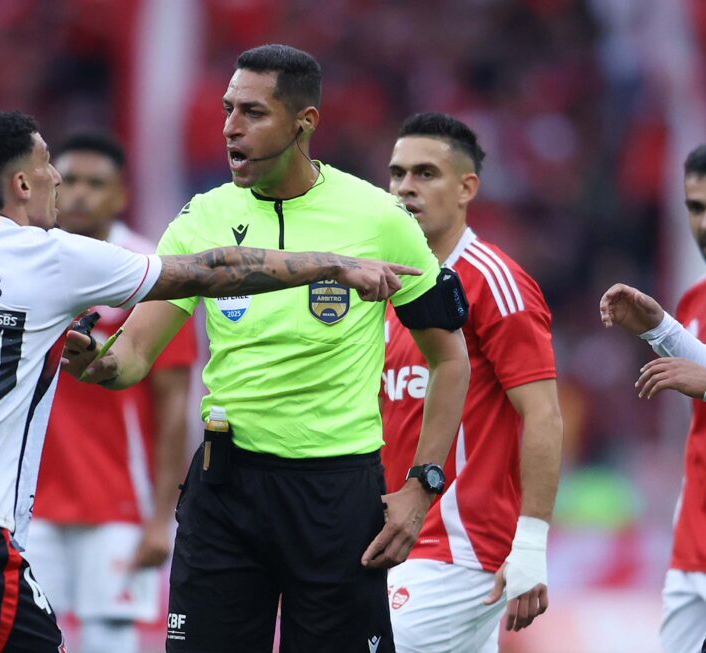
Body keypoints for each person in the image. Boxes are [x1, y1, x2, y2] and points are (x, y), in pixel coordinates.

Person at [0, 109, 418, 653]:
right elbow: (214, 270)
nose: (59, 179)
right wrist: (334, 263)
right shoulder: (52, 256)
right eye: (47, 165)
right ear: (21, 186)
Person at [63, 45, 470, 652]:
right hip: (227, 490)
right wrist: (99, 363)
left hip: (336, 497)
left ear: (303, 122)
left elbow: (450, 359)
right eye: (228, 109)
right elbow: (135, 355)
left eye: (252, 112)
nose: (229, 126)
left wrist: (422, 486)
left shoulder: (378, 216)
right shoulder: (202, 217)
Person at [380, 113, 563, 652]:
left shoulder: (494, 281)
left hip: (458, 548)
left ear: (467, 188)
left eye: (425, 173)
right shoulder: (388, 285)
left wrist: (530, 543)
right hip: (395, 539)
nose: (406, 187)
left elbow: (543, 414)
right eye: (396, 173)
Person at [27, 132, 198, 653]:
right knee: (28, 639)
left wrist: (160, 517)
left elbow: (173, 406)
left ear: (121, 195)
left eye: (95, 183)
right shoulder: (27, 260)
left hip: (120, 501)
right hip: (28, 501)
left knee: (109, 641)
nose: (78, 194)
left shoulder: (152, 274)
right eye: (69, 180)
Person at [600, 144, 706, 653]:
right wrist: (659, 326)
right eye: (694, 207)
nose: (702, 223)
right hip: (694, 546)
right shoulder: (694, 298)